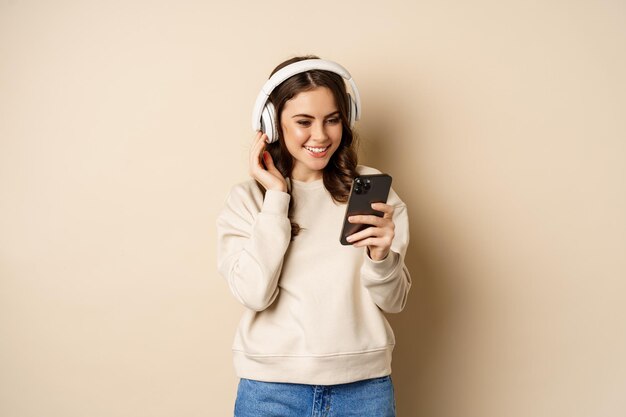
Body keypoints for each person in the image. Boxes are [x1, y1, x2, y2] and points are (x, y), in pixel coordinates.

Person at [216, 55, 411, 417]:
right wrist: (276, 198)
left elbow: (394, 301)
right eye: (303, 121)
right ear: (272, 126)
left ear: (347, 120)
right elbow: (254, 294)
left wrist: (381, 257)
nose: (320, 136)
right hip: (269, 391)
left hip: (364, 390)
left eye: (332, 120)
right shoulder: (247, 200)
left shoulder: (371, 191)